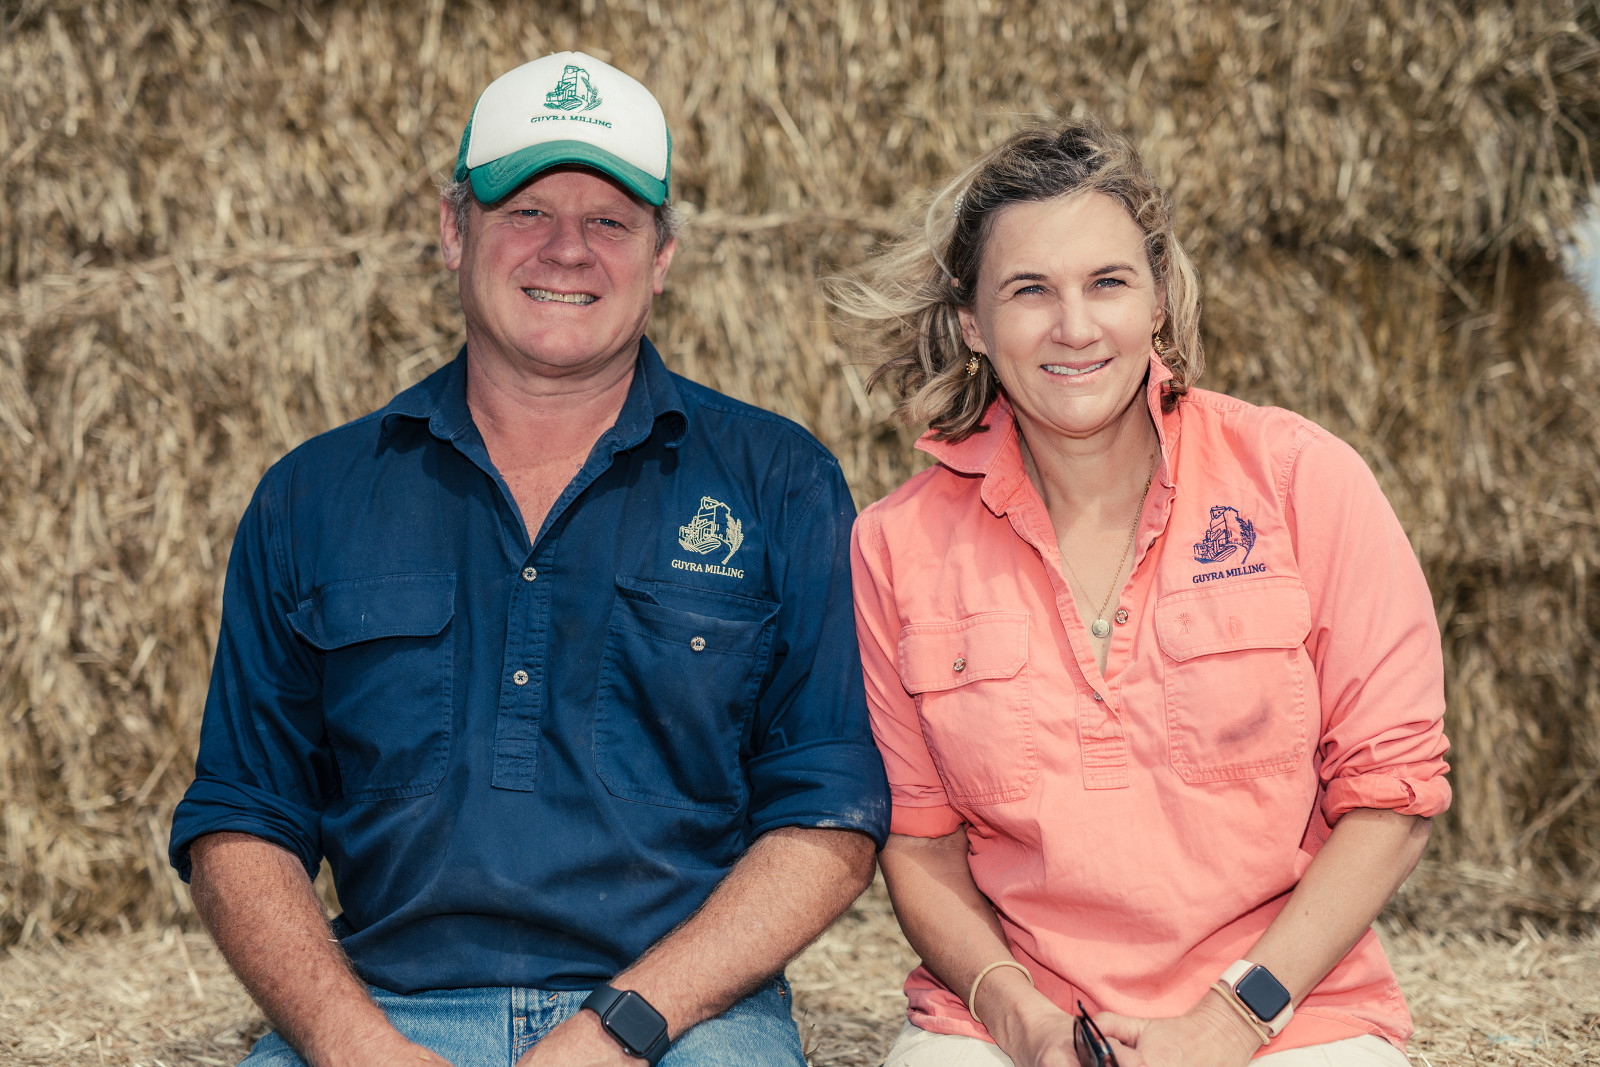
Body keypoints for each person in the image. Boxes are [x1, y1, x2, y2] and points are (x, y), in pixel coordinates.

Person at [169, 51, 889, 1067]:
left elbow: (829, 815)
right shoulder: (311, 496)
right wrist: (349, 1039)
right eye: (527, 212)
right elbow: (241, 815)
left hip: (685, 1018)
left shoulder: (780, 481)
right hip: (386, 1010)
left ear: (662, 255)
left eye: (611, 222)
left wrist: (623, 1023)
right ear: (452, 229)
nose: (568, 250)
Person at [834, 118, 1450, 1067]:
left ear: (1159, 299)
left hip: (1289, 1016)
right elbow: (918, 843)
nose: (1074, 327)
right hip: (1010, 1030)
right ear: (972, 325)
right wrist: (1023, 1021)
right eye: (1029, 290)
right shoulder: (894, 545)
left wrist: (1231, 1020)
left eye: (1108, 283)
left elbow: (1394, 796)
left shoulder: (1299, 479)